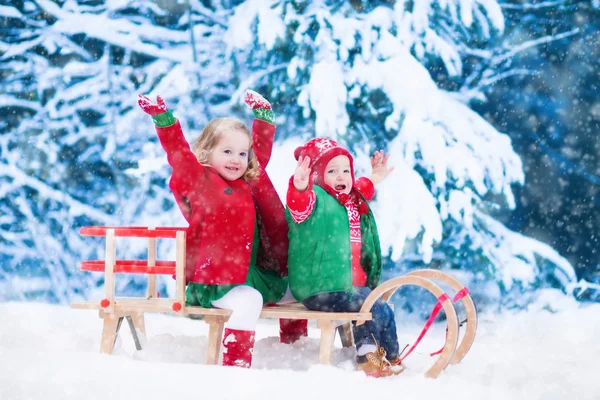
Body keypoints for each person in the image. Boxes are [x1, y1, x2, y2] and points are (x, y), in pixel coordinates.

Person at [137, 90, 306, 368]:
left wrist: (264, 119)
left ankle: (297, 347)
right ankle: (235, 365)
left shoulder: (246, 182)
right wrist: (164, 120)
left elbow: (258, 155)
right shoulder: (200, 180)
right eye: (227, 151)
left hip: (248, 275)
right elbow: (178, 153)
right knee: (250, 301)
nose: (236, 159)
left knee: (299, 288)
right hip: (214, 279)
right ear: (206, 152)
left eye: (241, 153)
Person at [285, 138, 402, 377]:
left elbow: (362, 186)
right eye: (332, 171)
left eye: (346, 170)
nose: (341, 177)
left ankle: (391, 357)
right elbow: (298, 205)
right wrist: (299, 187)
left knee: (381, 307)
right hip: (318, 288)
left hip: (346, 287)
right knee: (367, 306)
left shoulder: (351, 200)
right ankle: (368, 357)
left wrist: (376, 176)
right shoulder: (314, 201)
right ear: (317, 176)